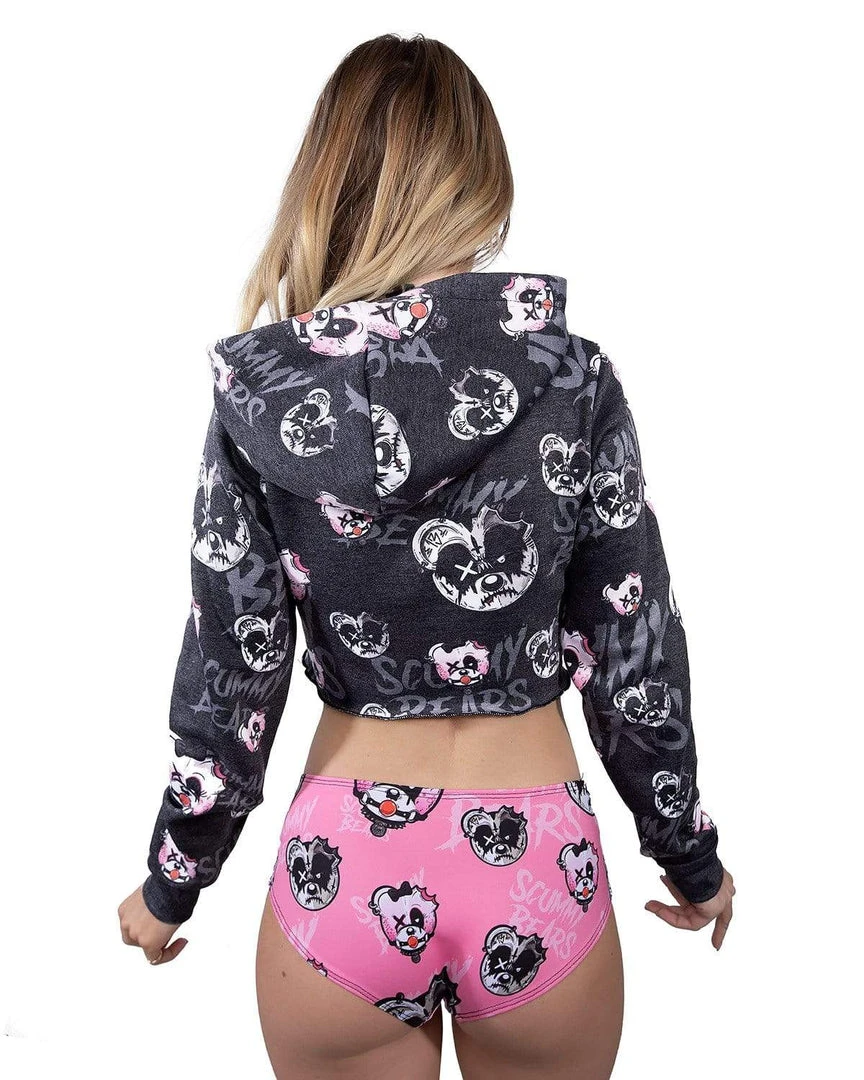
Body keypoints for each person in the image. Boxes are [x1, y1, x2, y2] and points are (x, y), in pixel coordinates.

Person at [117, 32, 734, 1080]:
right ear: (478, 179)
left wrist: (174, 878)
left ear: (330, 182)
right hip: (538, 863)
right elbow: (632, 651)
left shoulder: (262, 400)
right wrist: (689, 853)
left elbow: (236, 665)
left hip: (343, 867)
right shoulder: (573, 381)